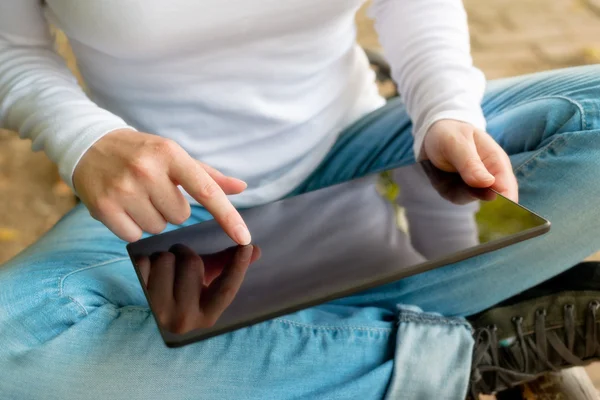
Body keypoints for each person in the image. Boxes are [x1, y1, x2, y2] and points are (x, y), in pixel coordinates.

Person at [1, 0, 600, 398]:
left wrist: (444, 111)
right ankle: (469, 349)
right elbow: (11, 47)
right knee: (13, 348)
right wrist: (87, 140)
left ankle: (295, 354)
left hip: (363, 160)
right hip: (166, 213)